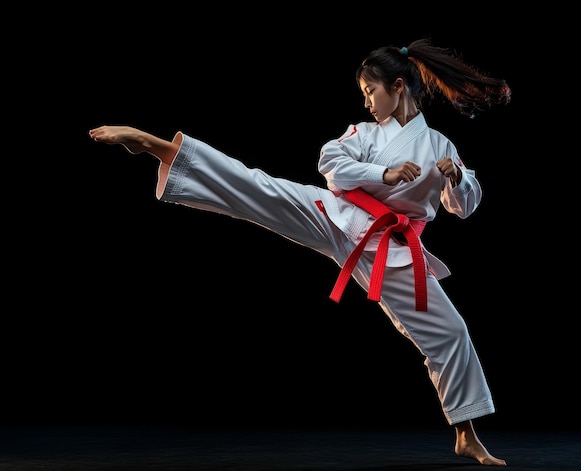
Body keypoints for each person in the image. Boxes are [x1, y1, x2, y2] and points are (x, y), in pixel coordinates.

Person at [89, 37, 511, 466]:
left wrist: (456, 177)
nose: (367, 102)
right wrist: (382, 171)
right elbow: (330, 164)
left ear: (398, 87)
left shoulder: (441, 147)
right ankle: (158, 146)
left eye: (371, 92)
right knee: (260, 188)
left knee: (451, 332)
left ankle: (466, 433)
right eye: (364, 94)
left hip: (392, 248)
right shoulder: (364, 134)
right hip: (339, 216)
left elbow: (463, 207)